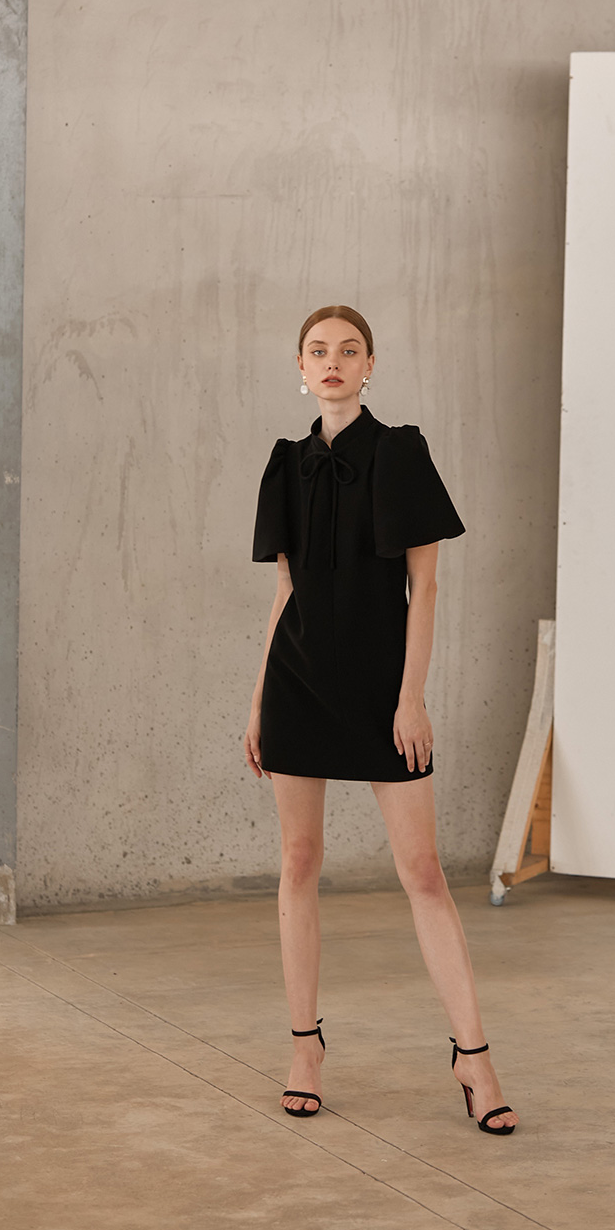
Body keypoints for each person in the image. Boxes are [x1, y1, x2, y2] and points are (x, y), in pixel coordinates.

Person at [244, 304, 518, 1135]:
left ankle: (474, 1057)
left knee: (423, 871)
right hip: (296, 684)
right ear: (301, 367)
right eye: (318, 350)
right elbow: (285, 591)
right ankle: (305, 1048)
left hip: (380, 690)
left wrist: (411, 696)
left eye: (349, 349)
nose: (332, 361)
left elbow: (424, 586)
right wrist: (257, 701)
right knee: (298, 860)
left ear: (370, 365)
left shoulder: (400, 452)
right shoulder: (286, 464)